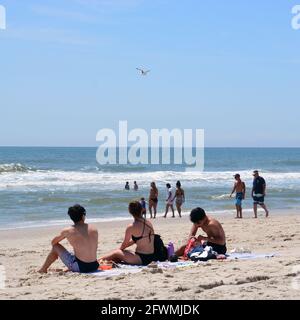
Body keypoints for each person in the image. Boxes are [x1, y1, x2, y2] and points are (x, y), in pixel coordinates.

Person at [39, 205, 99, 274]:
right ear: (83, 216)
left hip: (81, 268)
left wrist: (65, 236)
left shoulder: (68, 231)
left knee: (55, 247)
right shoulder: (94, 229)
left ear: (71, 217)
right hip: (95, 265)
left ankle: (43, 269)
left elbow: (53, 242)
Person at [99, 201, 158, 266]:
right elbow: (136, 240)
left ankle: (97, 261)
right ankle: (108, 261)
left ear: (130, 212)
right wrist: (122, 250)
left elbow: (124, 244)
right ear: (142, 210)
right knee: (125, 252)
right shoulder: (148, 223)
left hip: (142, 259)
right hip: (152, 256)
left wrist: (119, 250)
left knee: (116, 252)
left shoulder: (131, 226)